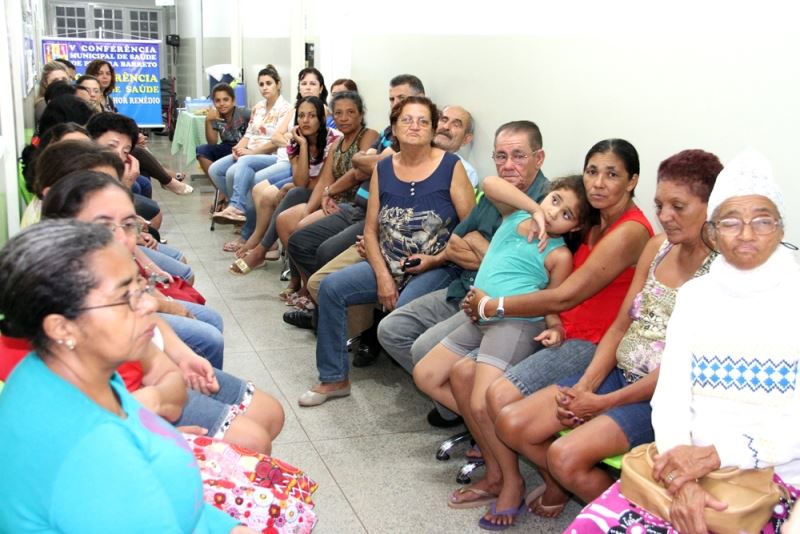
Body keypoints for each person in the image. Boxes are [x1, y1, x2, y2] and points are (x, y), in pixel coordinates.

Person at [569, 148, 800, 534]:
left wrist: (715, 456)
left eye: (762, 220)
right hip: (683, 466)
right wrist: (685, 476)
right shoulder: (697, 297)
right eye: (730, 221)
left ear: (780, 228)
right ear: (712, 230)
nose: (745, 234)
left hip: (771, 478)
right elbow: (670, 396)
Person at [495, 149, 721, 524]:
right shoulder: (657, 247)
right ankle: (619, 508)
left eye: (678, 206)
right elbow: (621, 325)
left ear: (711, 206)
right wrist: (586, 387)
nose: (665, 216)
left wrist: (600, 403)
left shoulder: (720, 272)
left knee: (564, 457)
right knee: (513, 423)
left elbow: (683, 368)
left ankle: (650, 521)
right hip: (618, 373)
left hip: (664, 399)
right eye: (660, 205)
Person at [0, 220, 254, 532]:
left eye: (141, 287)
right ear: (62, 327)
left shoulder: (62, 368)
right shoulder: (91, 458)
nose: (149, 304)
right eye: (126, 297)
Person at [449, 139, 653, 522]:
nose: (598, 183)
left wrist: (495, 305)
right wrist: (536, 213)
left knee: (497, 396)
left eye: (612, 175)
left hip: (590, 341)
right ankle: (500, 476)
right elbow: (496, 189)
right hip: (557, 329)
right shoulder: (589, 220)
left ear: (632, 181)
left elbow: (565, 295)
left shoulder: (629, 231)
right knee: (462, 373)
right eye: (592, 171)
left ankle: (556, 482)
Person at [298, 95, 476, 406]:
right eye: (407, 119)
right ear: (393, 127)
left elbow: (469, 232)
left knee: (401, 314)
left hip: (437, 267)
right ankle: (334, 378)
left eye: (423, 121)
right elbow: (370, 229)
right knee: (331, 288)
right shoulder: (384, 169)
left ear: (433, 129)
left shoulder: (451, 167)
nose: (414, 126)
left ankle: (445, 394)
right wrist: (382, 275)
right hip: (389, 261)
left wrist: (437, 259)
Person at [376, 120, 550, 424]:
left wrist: (482, 250)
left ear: (539, 157)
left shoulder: (548, 203)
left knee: (423, 350)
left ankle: (470, 420)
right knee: (391, 330)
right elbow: (457, 241)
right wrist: (487, 252)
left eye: (519, 156)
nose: (508, 165)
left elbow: (529, 271)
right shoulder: (495, 190)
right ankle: (461, 411)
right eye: (500, 156)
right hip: (462, 286)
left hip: (498, 305)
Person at [41, 170, 227, 371]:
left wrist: (161, 295)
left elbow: (139, 292)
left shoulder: (112, 260)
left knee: (208, 318)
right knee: (208, 337)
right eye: (104, 225)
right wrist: (166, 307)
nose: (121, 237)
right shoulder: (71, 287)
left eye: (128, 224)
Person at [229, 95, 342, 276]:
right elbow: (301, 181)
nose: (305, 120)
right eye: (301, 115)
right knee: (291, 191)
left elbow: (324, 180)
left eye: (311, 116)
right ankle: (265, 251)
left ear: (322, 119)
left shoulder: (334, 139)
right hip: (309, 189)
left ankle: (261, 249)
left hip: (331, 192)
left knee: (292, 192)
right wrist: (303, 145)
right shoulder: (295, 141)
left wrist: (293, 185)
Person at [210, 65, 292, 227]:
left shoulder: (286, 109)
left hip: (269, 154)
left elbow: (276, 141)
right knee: (216, 170)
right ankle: (239, 208)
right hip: (249, 151)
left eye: (269, 83)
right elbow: (249, 133)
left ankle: (239, 208)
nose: (265, 87)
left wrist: (251, 152)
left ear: (278, 84)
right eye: (261, 84)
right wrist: (238, 148)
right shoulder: (258, 107)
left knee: (234, 171)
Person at [196, 82, 251, 186]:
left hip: (245, 148)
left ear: (233, 100)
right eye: (217, 100)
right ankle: (220, 188)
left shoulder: (244, 112)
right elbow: (212, 142)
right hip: (227, 147)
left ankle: (224, 192)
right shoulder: (216, 115)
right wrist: (208, 120)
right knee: (202, 150)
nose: (221, 104)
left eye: (225, 100)